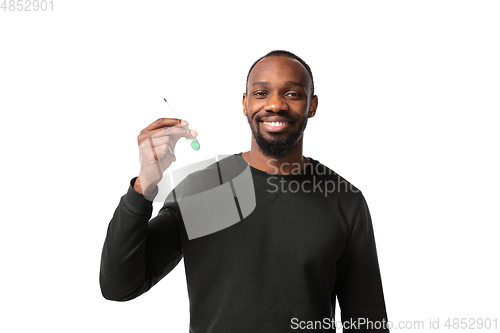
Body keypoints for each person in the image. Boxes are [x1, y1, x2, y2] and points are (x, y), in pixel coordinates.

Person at [100, 50, 390, 332]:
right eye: (261, 93)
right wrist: (144, 186)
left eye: (292, 93)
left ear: (311, 105)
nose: (275, 104)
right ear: (245, 103)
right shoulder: (203, 190)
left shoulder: (343, 199)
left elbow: (366, 320)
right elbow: (120, 285)